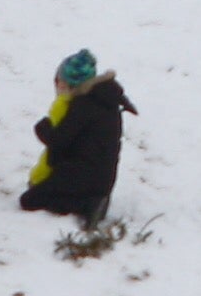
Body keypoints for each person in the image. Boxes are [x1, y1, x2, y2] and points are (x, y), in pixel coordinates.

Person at [20, 49, 135, 222]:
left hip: (81, 176)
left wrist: (43, 128)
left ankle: (88, 205)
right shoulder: (105, 100)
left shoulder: (82, 106)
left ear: (67, 85)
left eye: (58, 83)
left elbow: (58, 142)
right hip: (101, 178)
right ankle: (93, 200)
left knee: (29, 200)